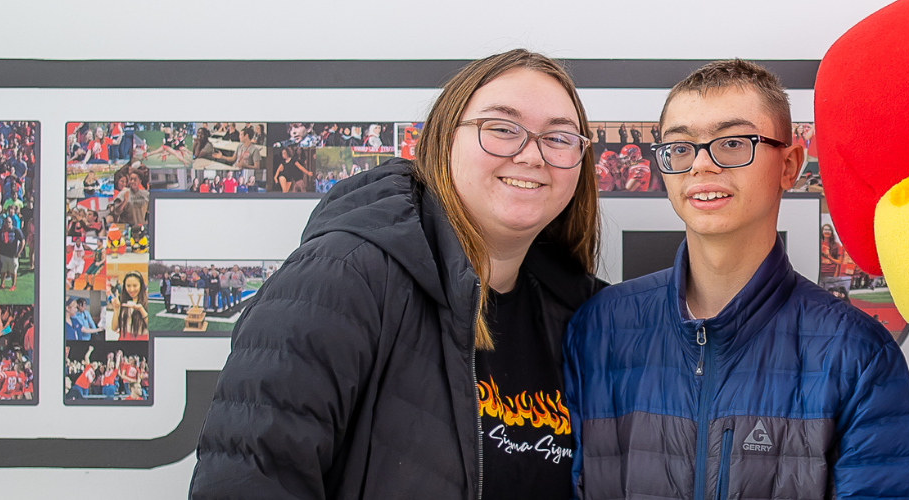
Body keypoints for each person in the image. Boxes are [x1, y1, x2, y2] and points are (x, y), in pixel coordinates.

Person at [191, 49, 607, 500]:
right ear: (442, 139)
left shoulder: (584, 317)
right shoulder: (341, 278)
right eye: (502, 129)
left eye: (560, 138)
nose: (532, 155)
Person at [565, 59, 909, 498]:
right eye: (680, 148)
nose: (701, 166)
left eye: (732, 143)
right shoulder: (599, 329)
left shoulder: (857, 354)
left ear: (789, 165)